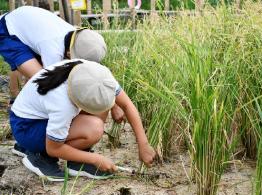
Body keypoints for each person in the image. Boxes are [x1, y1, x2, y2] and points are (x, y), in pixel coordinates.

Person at [0, 6, 125, 154]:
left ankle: (54, 133)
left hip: (30, 28)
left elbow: (94, 75)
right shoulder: (53, 49)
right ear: (68, 53)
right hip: (8, 32)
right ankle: (33, 139)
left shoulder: (81, 41)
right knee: (42, 80)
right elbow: (48, 84)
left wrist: (114, 105)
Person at [10, 59, 156, 181]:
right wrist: (95, 159)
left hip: (41, 116)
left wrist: (143, 144)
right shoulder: (62, 104)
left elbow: (127, 104)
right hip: (26, 127)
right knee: (93, 128)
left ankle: (75, 160)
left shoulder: (97, 75)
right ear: (78, 102)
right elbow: (54, 148)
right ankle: (40, 157)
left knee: (101, 102)